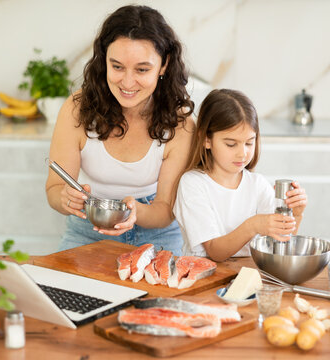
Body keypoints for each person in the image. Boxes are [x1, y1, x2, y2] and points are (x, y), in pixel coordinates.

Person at [46, 5, 194, 255]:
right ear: (104, 60)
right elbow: (53, 189)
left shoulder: (180, 125)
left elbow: (165, 209)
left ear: (164, 65)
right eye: (117, 67)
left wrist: (135, 211)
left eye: (142, 69)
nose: (127, 82)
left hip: (155, 230)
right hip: (86, 227)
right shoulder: (76, 110)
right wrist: (64, 198)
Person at [173, 89, 307, 262]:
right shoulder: (193, 184)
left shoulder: (257, 184)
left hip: (247, 274)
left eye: (249, 143)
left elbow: (280, 242)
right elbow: (215, 252)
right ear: (206, 139)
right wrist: (254, 225)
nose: (242, 154)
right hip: (204, 276)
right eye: (231, 144)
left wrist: (296, 214)